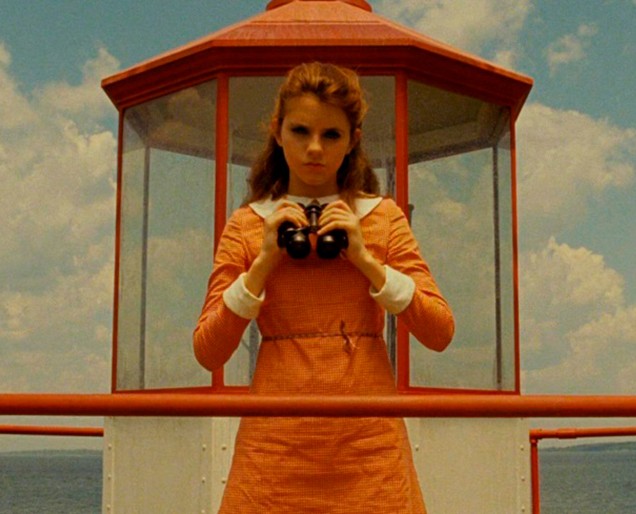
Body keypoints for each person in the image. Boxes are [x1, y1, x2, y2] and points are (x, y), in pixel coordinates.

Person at [193, 62, 454, 514]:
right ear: (277, 131)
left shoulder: (383, 217)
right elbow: (208, 351)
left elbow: (440, 331)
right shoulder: (247, 224)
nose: (314, 148)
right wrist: (262, 265)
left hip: (369, 449)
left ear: (352, 140)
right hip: (273, 450)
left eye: (331, 134)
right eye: (300, 131)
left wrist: (366, 261)